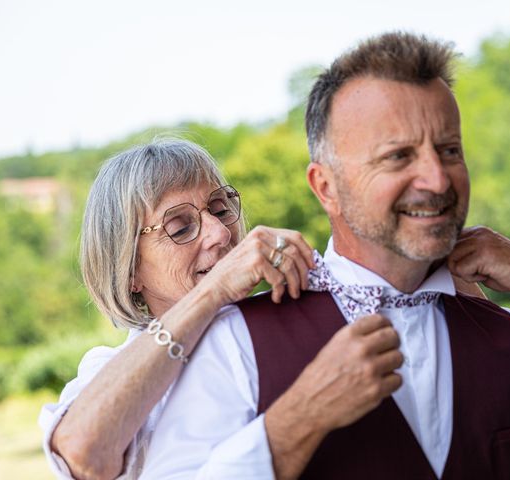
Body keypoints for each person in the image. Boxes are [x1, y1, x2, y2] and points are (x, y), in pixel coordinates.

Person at [138, 32, 510, 479]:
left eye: (450, 150)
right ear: (326, 187)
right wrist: (296, 421)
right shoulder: (233, 342)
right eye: (398, 156)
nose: (436, 179)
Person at [38, 139, 319, 479]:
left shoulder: (289, 314)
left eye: (220, 208)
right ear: (130, 272)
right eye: (180, 227)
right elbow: (82, 455)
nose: (220, 234)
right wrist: (214, 290)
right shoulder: (108, 369)